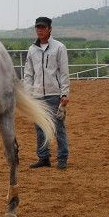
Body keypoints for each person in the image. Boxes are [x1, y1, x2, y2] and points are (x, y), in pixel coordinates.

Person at [23, 16, 70, 169]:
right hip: (37, 94)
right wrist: (28, 92)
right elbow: (28, 73)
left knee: (58, 126)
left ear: (50, 29)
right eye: (37, 27)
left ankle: (62, 158)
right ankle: (43, 158)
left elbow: (63, 72)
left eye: (43, 27)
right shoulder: (32, 49)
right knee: (40, 127)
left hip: (54, 93)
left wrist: (64, 93)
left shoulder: (59, 48)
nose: (40, 30)